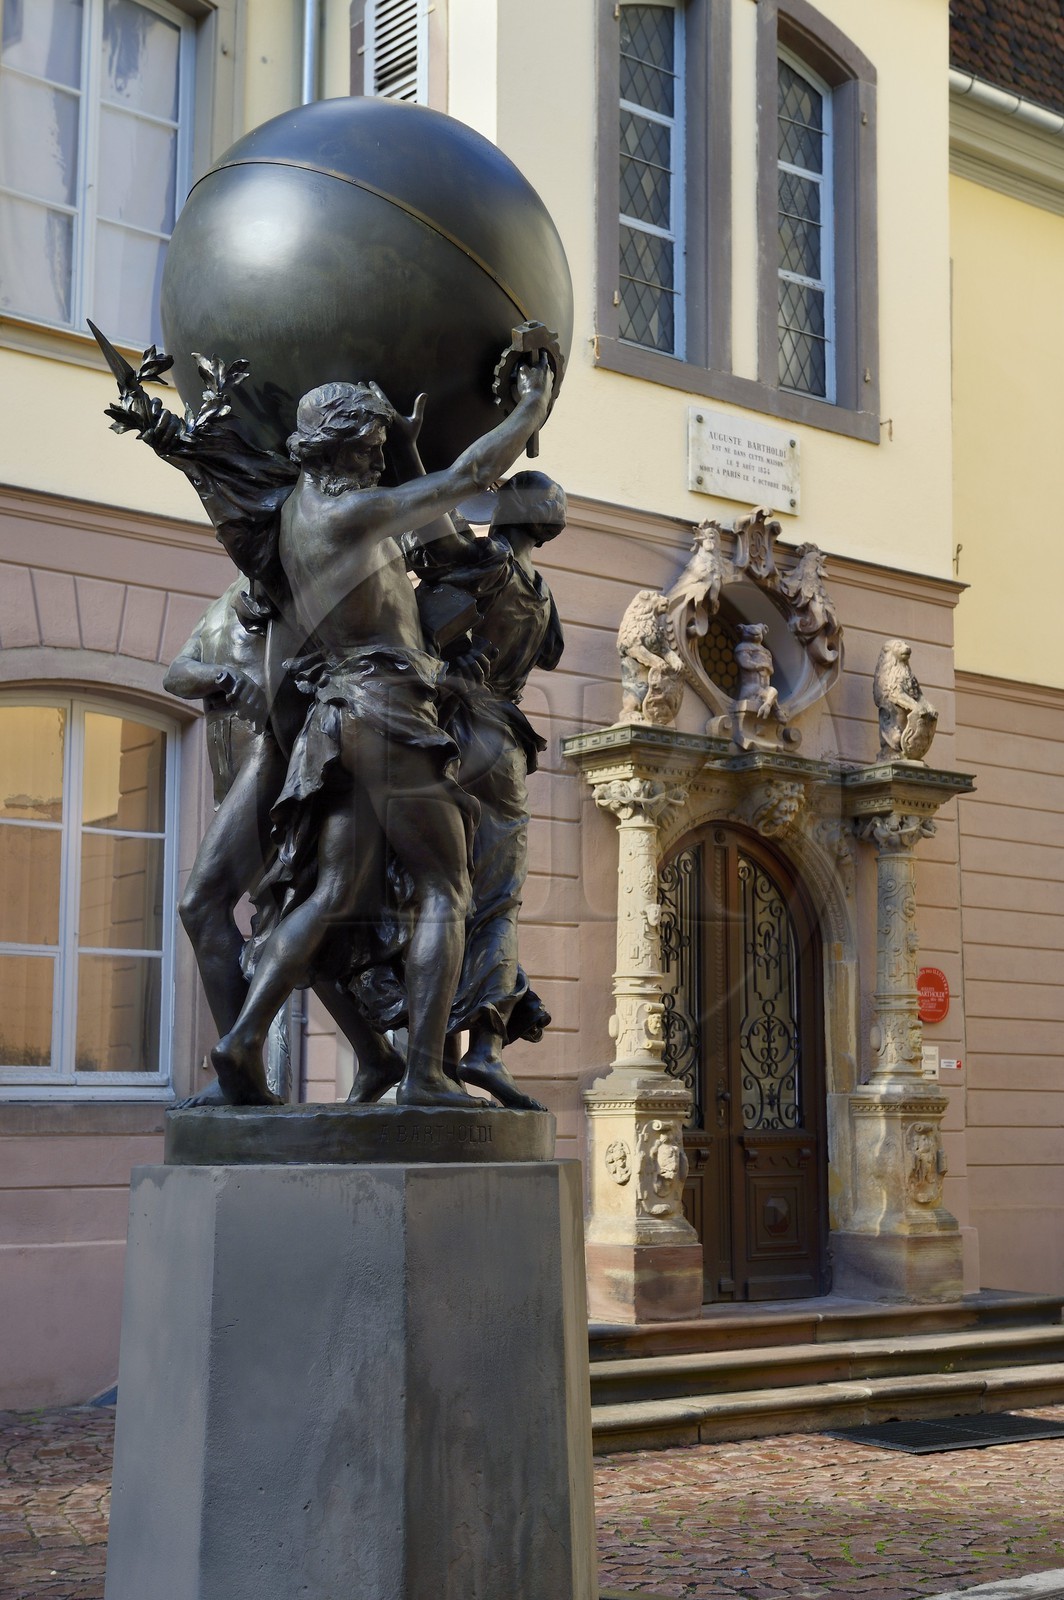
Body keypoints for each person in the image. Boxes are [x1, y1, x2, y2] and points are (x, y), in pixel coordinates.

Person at [207, 358, 554, 1107]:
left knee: (334, 890)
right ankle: (426, 1075)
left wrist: (402, 443)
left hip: (339, 718)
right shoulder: (351, 515)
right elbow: (470, 475)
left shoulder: (297, 510)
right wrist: (533, 405)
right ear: (335, 449)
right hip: (387, 707)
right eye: (367, 448)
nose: (376, 460)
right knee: (446, 886)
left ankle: (242, 1038)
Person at [351, 470, 565, 1109]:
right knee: (493, 898)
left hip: (458, 731)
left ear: (509, 512)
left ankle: (448, 1052)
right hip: (506, 746)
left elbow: (426, 548)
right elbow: (547, 655)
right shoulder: (543, 594)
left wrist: (426, 466)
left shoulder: (488, 562)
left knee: (435, 893)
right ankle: (480, 1049)